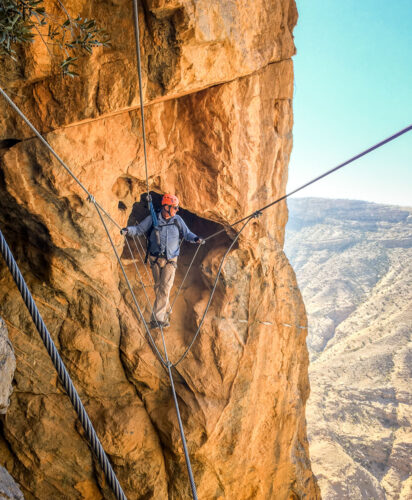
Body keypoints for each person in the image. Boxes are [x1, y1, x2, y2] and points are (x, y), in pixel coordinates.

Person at [121, 194, 203, 328]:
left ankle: (158, 319)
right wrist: (127, 230)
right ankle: (166, 309)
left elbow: (187, 234)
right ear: (166, 207)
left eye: (177, 208)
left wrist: (196, 239)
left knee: (165, 288)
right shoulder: (153, 219)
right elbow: (139, 229)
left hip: (171, 259)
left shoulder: (177, 220)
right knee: (159, 286)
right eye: (174, 207)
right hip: (155, 259)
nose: (177, 210)